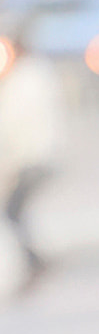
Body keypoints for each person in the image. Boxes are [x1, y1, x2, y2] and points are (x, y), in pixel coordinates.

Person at [0, 28, 63, 295]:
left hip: (32, 156)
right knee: (18, 211)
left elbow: (12, 126)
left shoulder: (24, 80)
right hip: (39, 153)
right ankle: (38, 258)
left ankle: (38, 259)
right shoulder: (36, 74)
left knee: (15, 211)